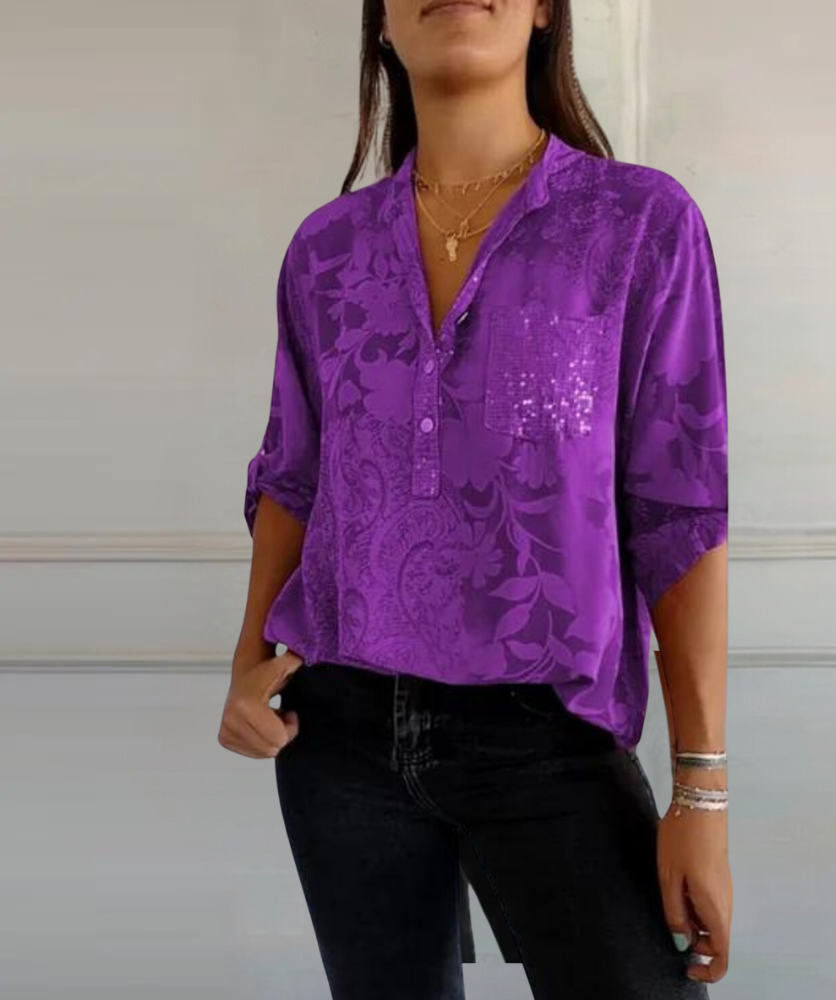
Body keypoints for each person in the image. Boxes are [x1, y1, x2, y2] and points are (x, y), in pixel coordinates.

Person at [217, 1, 732, 997]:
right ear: (381, 23)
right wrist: (247, 663)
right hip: (339, 734)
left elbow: (678, 510)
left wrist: (699, 792)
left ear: (544, 11)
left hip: (549, 730)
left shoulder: (638, 224)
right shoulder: (326, 250)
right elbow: (293, 474)